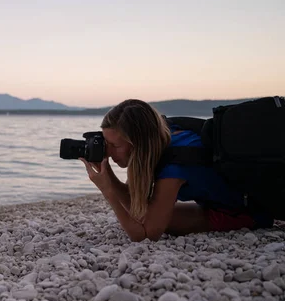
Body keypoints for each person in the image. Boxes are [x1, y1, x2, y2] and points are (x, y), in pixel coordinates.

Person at [81, 99, 274, 242]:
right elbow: (137, 207)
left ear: (137, 144)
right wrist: (109, 177)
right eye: (106, 143)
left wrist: (108, 192)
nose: (109, 152)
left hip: (248, 210)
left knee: (163, 221)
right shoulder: (163, 135)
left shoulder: (175, 164)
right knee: (154, 214)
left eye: (115, 145)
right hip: (220, 201)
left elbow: (146, 234)